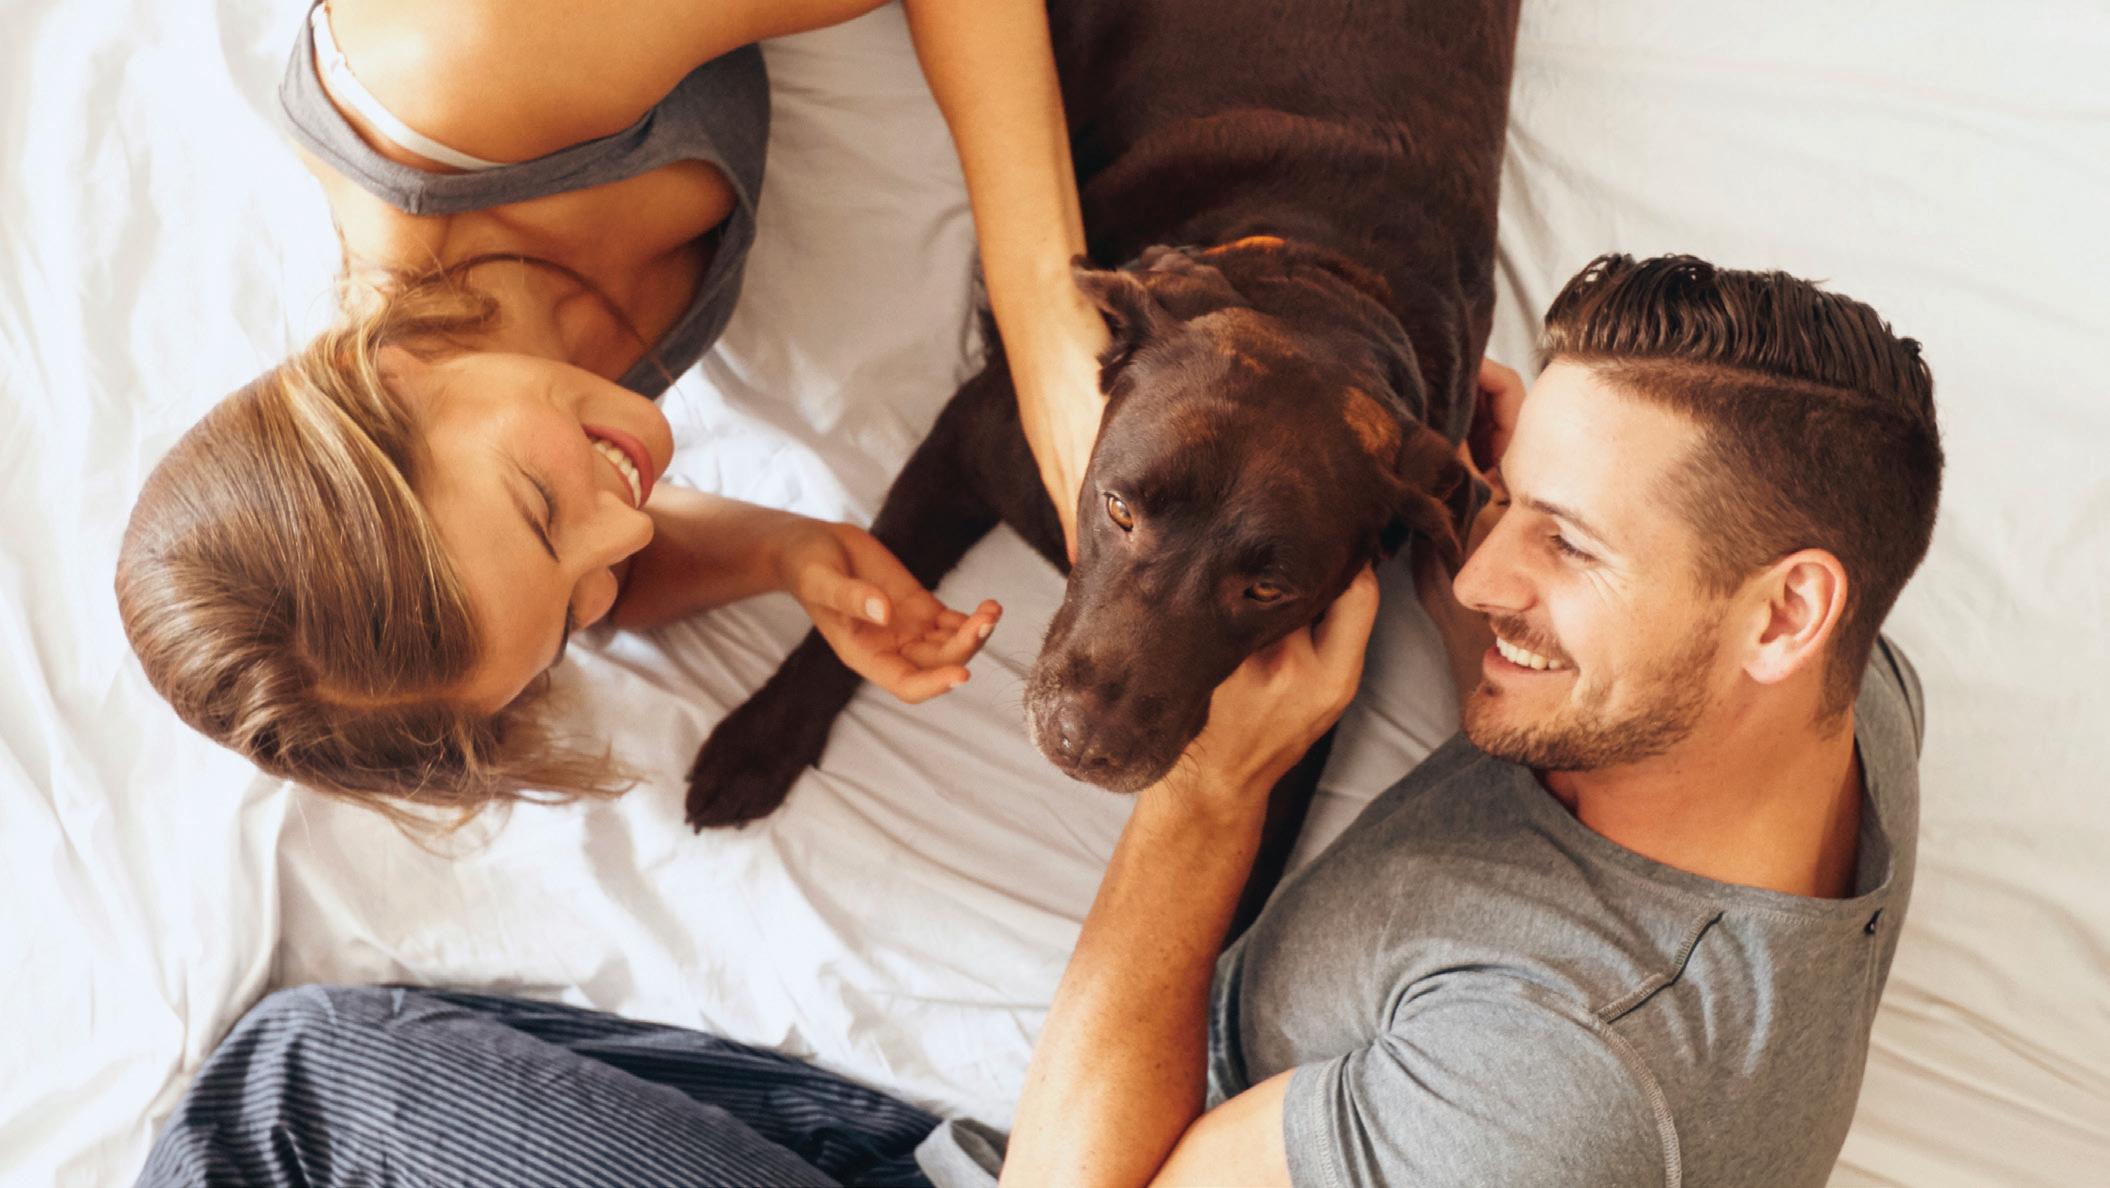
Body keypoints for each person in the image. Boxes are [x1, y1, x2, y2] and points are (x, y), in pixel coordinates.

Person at [131, 253, 1944, 1188]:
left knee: (297, 1083)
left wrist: (1210, 793)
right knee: (422, 1029)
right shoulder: (1833, 695)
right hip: (987, 1130)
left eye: (1563, 542)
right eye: (1508, 497)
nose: (1469, 574)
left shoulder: (1554, 1093)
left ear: (1783, 608)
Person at [116, 0, 1110, 822]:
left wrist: (1043, 317)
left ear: (387, 382)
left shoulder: (462, 59)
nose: (627, 528)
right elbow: (602, 587)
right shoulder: (490, 442)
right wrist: (790, 553)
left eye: (543, 508)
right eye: (564, 613)